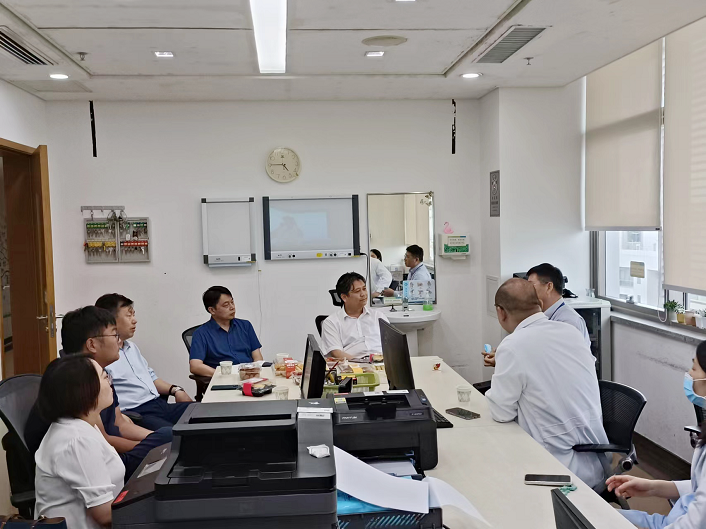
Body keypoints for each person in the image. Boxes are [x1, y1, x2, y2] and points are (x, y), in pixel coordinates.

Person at [485, 278, 609, 490]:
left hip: (557, 472)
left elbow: (501, 413)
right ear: (540, 305)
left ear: (501, 312)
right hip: (597, 460)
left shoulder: (512, 346)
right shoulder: (571, 332)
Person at [25, 306, 172, 480]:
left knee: (168, 436)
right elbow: (103, 440)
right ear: (92, 344)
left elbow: (120, 424)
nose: (119, 342)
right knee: (169, 440)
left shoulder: (99, 373)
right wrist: (154, 447)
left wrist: (154, 440)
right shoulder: (78, 382)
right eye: (114, 335)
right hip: (97, 465)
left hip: (108, 453)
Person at [607, 341, 706, 529]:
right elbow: (699, 488)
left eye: (694, 368)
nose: (690, 374)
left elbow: (695, 523)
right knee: (597, 513)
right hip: (669, 522)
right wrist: (652, 487)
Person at [34, 354, 124, 529]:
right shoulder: (77, 440)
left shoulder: (84, 425)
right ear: (85, 390)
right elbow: (104, 514)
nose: (110, 383)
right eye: (105, 377)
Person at [95, 293, 192, 431]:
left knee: (203, 412)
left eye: (133, 315)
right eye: (129, 316)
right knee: (179, 436)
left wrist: (176, 390)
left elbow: (151, 377)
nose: (134, 320)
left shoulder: (131, 347)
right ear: (110, 320)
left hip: (160, 405)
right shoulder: (103, 357)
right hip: (137, 414)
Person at [189, 286, 263, 377]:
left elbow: (257, 357)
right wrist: (222, 375)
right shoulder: (201, 334)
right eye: (226, 305)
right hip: (223, 380)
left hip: (249, 377)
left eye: (232, 302)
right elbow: (195, 366)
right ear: (212, 310)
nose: (232, 307)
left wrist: (254, 372)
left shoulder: (245, 326)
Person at [321, 272, 389, 361]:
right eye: (357, 291)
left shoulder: (378, 316)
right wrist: (364, 363)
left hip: (381, 363)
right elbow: (337, 353)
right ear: (344, 297)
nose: (363, 294)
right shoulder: (331, 322)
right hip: (352, 367)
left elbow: (391, 344)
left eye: (364, 289)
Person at [526, 263, 591, 348]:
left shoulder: (569, 321)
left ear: (549, 287)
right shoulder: (543, 314)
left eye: (531, 285)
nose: (527, 290)